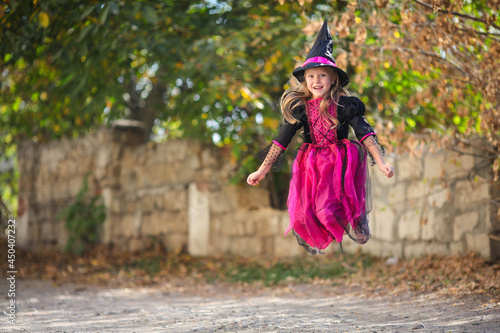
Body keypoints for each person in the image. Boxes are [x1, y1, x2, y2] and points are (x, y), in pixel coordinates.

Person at [247, 20, 394, 255]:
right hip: (311, 166)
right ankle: (321, 236)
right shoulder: (301, 109)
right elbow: (280, 141)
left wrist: (382, 162)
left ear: (333, 78)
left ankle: (338, 222)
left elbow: (365, 134)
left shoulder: (345, 106)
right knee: (301, 216)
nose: (316, 81)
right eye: (311, 76)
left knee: (327, 211)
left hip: (339, 166)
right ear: (305, 80)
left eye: (322, 75)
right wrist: (261, 171)